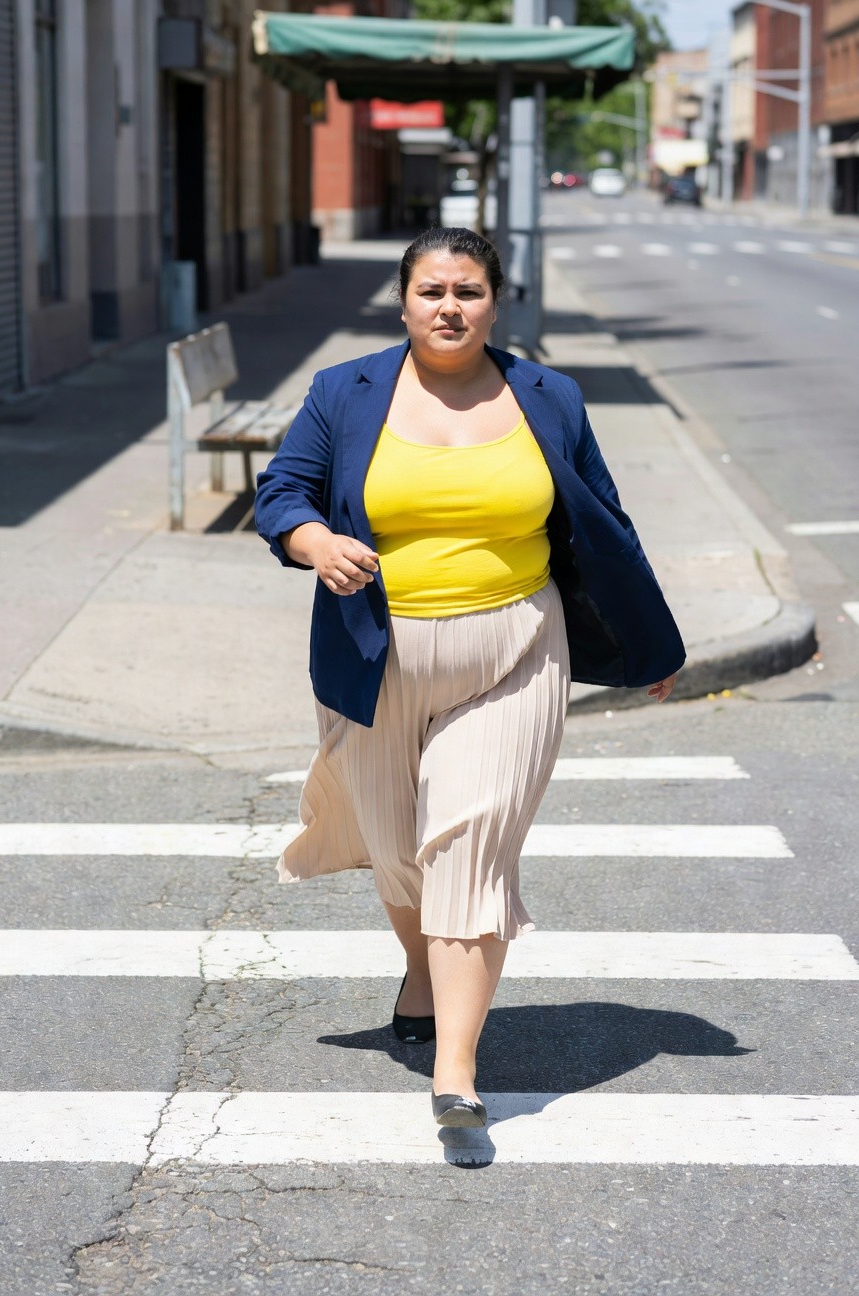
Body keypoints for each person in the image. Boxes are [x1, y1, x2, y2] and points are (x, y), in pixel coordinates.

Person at [255, 227, 684, 1129]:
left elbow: (605, 525)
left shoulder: (548, 396)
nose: (450, 307)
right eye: (432, 291)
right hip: (378, 657)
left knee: (470, 845)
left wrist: (651, 644)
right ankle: (421, 969)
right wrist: (315, 540)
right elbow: (281, 492)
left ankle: (457, 1071)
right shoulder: (346, 391)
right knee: (403, 853)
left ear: (497, 301)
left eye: (470, 292)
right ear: (403, 301)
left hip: (517, 649)